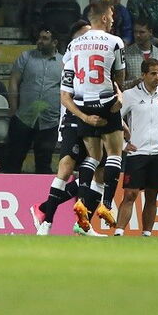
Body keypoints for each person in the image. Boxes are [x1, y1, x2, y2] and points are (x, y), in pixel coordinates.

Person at [32, 20, 103, 236]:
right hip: (74, 121)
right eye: (85, 35)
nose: (90, 39)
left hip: (93, 121)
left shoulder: (93, 64)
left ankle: (72, 220)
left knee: (92, 171)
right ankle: (46, 222)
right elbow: (68, 96)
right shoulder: (71, 62)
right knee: (66, 170)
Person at [62, 0, 127, 232]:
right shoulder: (115, 41)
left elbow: (67, 73)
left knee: (93, 156)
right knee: (114, 153)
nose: (113, 19)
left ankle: (81, 200)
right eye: (111, 15)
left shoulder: (74, 44)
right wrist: (118, 95)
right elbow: (119, 77)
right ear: (103, 18)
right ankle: (107, 204)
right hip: (106, 100)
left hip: (82, 102)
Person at [113, 58, 158, 236]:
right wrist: (123, 144)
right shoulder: (130, 95)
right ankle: (119, 232)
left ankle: (147, 234)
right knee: (130, 194)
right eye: (153, 73)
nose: (157, 77)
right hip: (137, 153)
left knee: (152, 195)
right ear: (143, 75)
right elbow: (114, 120)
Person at [4, 27, 63, 174]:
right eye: (39, 38)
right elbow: (13, 81)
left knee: (44, 164)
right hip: (23, 117)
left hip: (49, 120)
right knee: (14, 160)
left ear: (54, 42)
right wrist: (13, 107)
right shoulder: (26, 57)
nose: (40, 41)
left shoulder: (63, 62)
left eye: (45, 39)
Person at [123, 21, 158, 91]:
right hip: (134, 98)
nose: (137, 35)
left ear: (150, 32)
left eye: (141, 32)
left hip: (156, 98)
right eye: (135, 32)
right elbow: (120, 84)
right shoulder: (126, 54)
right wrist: (135, 82)